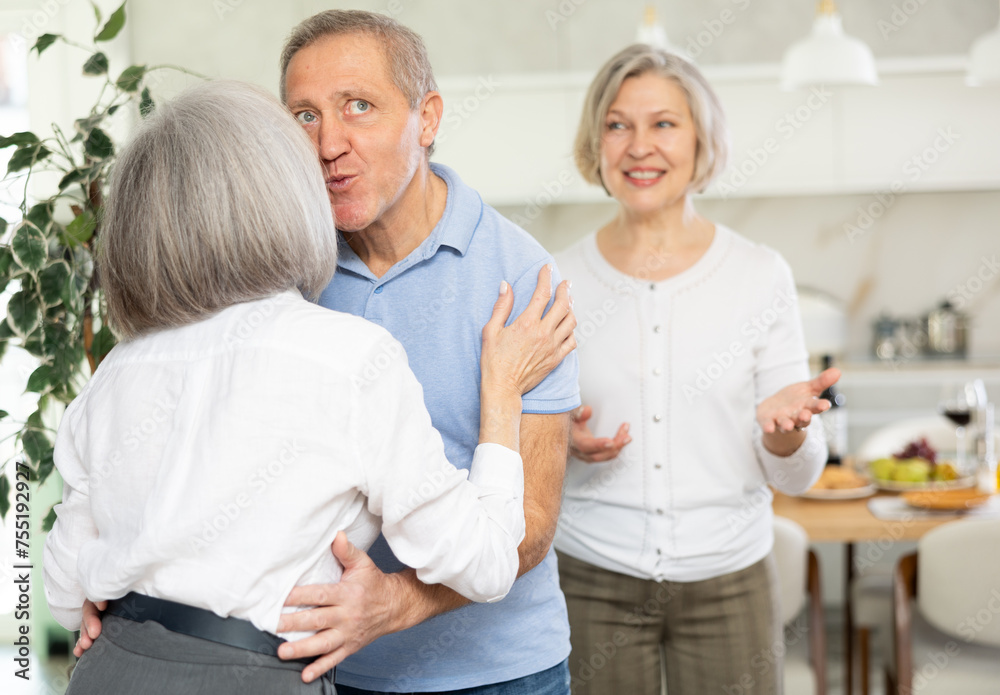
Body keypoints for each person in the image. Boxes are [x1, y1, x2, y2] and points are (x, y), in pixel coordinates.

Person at [42, 80, 575, 694]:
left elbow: (63, 594)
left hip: (110, 671)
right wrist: (503, 395)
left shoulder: (116, 371)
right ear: (286, 197)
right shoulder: (350, 356)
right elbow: (483, 563)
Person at [268, 11, 580, 693]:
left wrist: (392, 605)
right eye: (304, 116)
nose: (328, 144)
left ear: (427, 118)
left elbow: (529, 524)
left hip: (500, 671)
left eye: (359, 107)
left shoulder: (520, 276)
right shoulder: (285, 275)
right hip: (330, 666)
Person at [552, 45, 840, 695]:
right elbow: (522, 436)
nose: (638, 146)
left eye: (664, 123)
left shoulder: (759, 274)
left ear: (701, 139)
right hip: (592, 576)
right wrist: (557, 439)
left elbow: (799, 471)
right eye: (617, 124)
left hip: (729, 579)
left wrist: (785, 433)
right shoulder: (558, 277)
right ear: (595, 142)